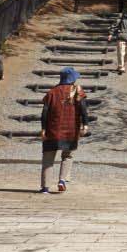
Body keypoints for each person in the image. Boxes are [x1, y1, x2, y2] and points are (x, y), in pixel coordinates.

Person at [39, 66, 89, 194]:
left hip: (52, 130)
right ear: (72, 79)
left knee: (48, 159)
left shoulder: (52, 92)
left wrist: (43, 128)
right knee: (67, 156)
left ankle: (45, 187)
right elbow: (83, 109)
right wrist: (85, 125)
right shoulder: (78, 91)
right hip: (71, 130)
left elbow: (44, 112)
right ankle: (62, 180)